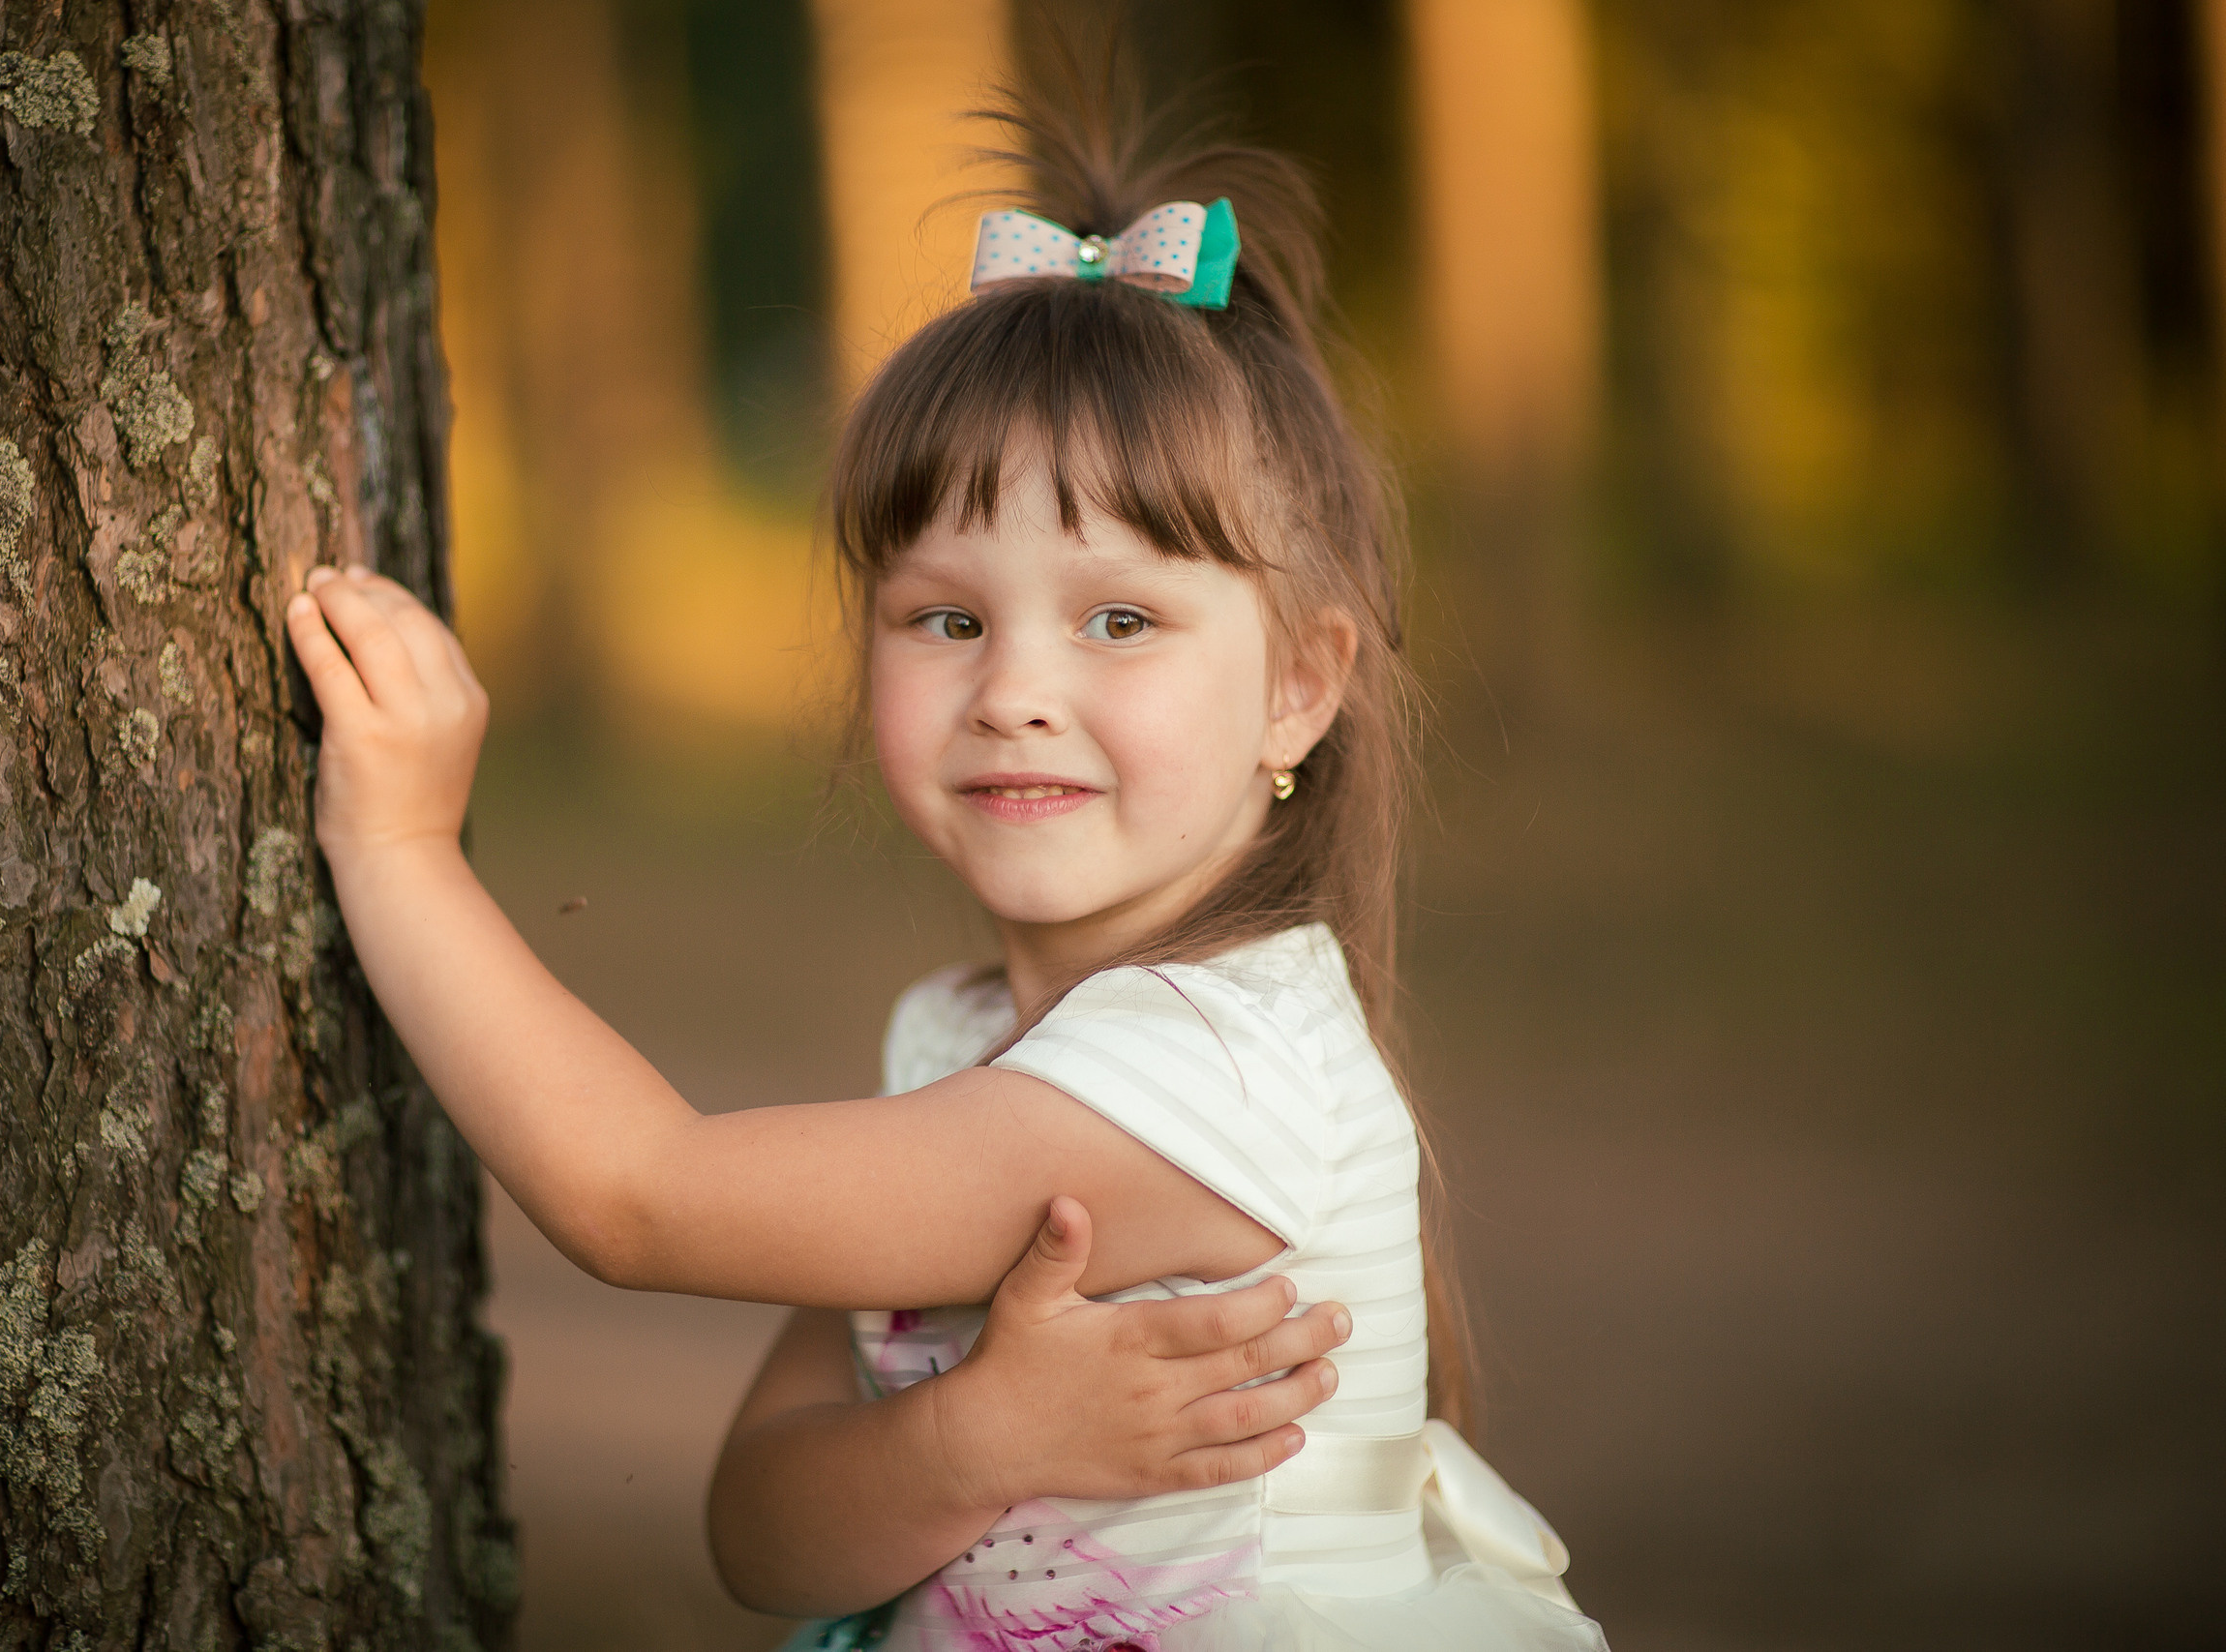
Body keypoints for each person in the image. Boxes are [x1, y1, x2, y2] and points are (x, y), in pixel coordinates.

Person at [284, 48, 1607, 1652]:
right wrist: (971, 1439)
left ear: (1299, 686)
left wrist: (407, 847)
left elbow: (638, 1202)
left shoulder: (1212, 1073)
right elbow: (761, 1534)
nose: (1016, 694)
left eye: (1121, 618)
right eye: (948, 618)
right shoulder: (963, 1044)